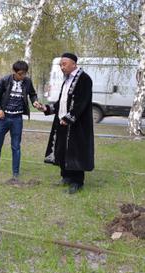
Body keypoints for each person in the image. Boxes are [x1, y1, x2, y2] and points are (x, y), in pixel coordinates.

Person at [36, 53, 94, 194]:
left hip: (76, 124)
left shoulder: (84, 79)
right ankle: (66, 177)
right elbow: (62, 101)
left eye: (64, 64)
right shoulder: (67, 80)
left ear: (74, 64)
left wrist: (68, 118)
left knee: (76, 152)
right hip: (61, 122)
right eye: (60, 64)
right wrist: (46, 108)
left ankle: (77, 182)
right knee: (62, 150)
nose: (62, 67)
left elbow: (82, 103)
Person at [0, 60, 42, 179]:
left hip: (17, 119)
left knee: (16, 146)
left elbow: (32, 94)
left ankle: (15, 173)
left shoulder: (27, 82)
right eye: (20, 74)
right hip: (3, 119)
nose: (22, 76)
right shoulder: (4, 80)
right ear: (14, 72)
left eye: (25, 73)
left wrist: (34, 101)